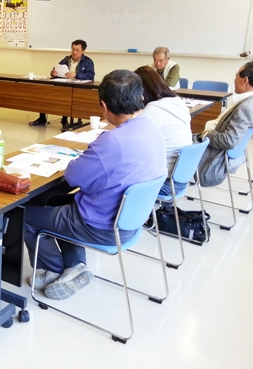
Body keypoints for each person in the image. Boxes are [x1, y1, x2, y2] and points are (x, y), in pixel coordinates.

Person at [24, 70, 166, 300]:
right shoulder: (153, 129)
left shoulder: (113, 140)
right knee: (59, 202)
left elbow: (73, 177)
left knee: (24, 216)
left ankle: (54, 270)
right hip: (131, 221)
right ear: (141, 97)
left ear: (104, 106)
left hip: (100, 226)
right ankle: (76, 266)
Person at [134, 66, 192, 200]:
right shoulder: (178, 103)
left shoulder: (154, 110)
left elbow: (134, 144)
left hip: (164, 184)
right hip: (180, 178)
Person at [197, 62, 253, 187]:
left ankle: (172, 185)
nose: (234, 79)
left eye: (236, 75)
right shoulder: (248, 102)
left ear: (245, 80)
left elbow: (229, 141)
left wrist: (206, 134)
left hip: (212, 158)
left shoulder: (246, 107)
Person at [29, 39, 95, 128]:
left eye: (77, 50)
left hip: (78, 88)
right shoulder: (66, 59)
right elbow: (56, 68)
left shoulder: (88, 62)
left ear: (83, 51)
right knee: (45, 93)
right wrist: (53, 72)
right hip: (65, 84)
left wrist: (76, 75)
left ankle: (64, 120)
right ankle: (42, 118)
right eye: (73, 49)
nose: (74, 52)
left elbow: (90, 76)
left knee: (66, 97)